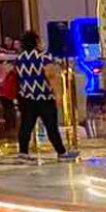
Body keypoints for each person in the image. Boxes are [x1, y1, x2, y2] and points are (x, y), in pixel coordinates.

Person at [14, 30, 77, 162]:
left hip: (26, 97)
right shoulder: (44, 57)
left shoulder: (19, 59)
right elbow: (51, 76)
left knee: (26, 126)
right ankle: (61, 152)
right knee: (51, 126)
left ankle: (23, 152)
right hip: (44, 97)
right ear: (36, 42)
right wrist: (58, 95)